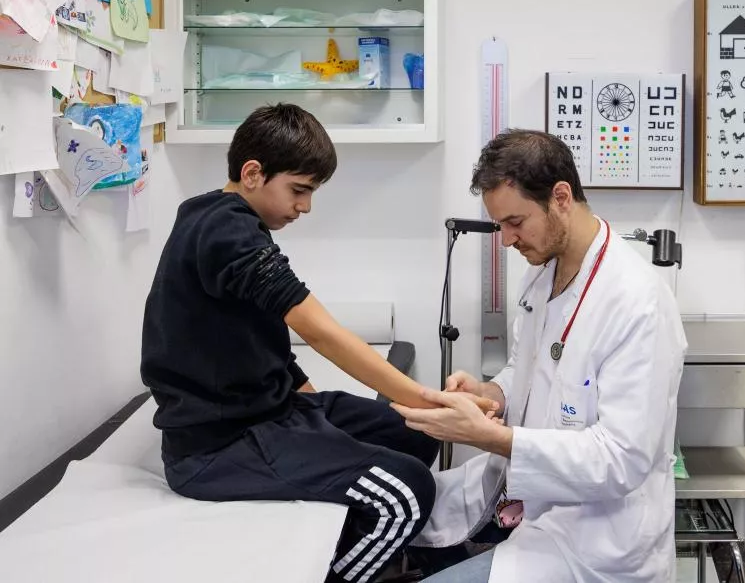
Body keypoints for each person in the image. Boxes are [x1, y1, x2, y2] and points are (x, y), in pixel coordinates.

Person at [140, 103, 495, 583]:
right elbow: (321, 331)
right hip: (216, 448)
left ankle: (368, 544)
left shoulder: (221, 220)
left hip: (271, 412)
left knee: (412, 433)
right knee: (408, 490)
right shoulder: (226, 231)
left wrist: (317, 418)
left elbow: (259, 337)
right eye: (299, 190)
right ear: (252, 173)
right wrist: (428, 399)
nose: (305, 207)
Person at [391, 129, 688, 582]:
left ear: (561, 197)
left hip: (597, 541)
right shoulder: (542, 275)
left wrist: (491, 438)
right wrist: (489, 393)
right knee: (393, 513)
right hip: (534, 507)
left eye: (515, 222)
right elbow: (527, 374)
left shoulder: (638, 301)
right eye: (500, 226)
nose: (507, 240)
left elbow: (620, 460)